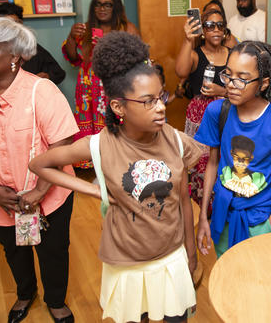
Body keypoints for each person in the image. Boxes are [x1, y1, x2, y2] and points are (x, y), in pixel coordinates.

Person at [30, 32, 202, 323]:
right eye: (148, 101)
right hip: (127, 263)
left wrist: (190, 251)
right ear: (118, 107)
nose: (161, 106)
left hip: (170, 258)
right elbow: (39, 165)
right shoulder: (98, 145)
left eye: (161, 97)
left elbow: (184, 200)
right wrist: (95, 191)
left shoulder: (175, 140)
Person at [0, 17, 78, 322]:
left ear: (15, 57)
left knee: (53, 251)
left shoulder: (42, 91)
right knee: (14, 250)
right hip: (3, 200)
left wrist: (38, 191)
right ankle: (25, 294)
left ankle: (56, 300)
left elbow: (61, 146)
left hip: (50, 195)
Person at [195, 41, 271, 258]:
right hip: (224, 214)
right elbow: (212, 164)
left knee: (260, 278)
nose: (232, 84)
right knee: (228, 275)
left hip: (262, 217)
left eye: (242, 79)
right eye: (228, 75)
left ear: (263, 83)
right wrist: (204, 216)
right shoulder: (217, 111)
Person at [62, 0, 139, 168]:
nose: (101, 8)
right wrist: (72, 37)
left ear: (116, 7)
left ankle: (116, 162)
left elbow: (137, 58)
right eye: (97, 4)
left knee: (116, 123)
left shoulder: (126, 28)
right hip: (88, 89)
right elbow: (73, 57)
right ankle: (94, 163)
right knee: (92, 129)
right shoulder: (85, 29)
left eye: (107, 5)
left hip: (114, 86)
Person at [175, 8, 229, 210]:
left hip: (226, 113)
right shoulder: (196, 55)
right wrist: (188, 40)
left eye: (220, 25)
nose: (215, 29)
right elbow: (180, 71)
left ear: (224, 29)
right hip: (201, 116)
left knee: (224, 161)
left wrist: (220, 91)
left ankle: (222, 207)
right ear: (202, 30)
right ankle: (206, 207)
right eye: (209, 25)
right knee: (201, 164)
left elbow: (241, 88)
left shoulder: (233, 55)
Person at [0, 2, 66, 85]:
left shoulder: (34, 49)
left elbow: (59, 73)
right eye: (5, 25)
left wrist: (47, 77)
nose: (10, 29)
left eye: (14, 24)